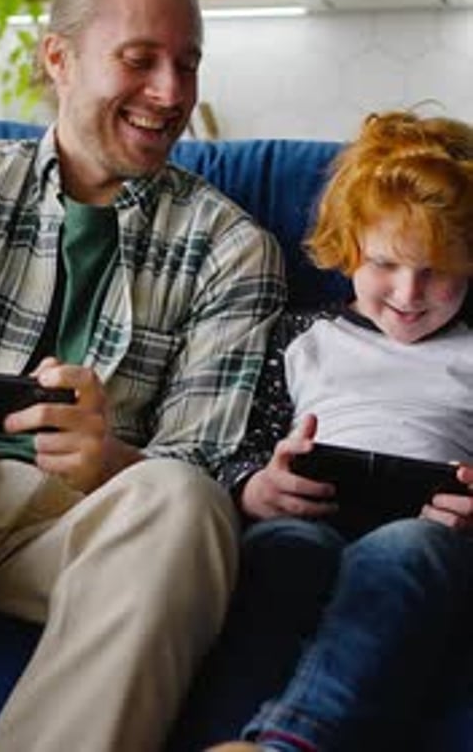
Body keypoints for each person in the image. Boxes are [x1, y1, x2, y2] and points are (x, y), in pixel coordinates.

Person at [0, 0, 285, 752]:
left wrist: (105, 456)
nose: (170, 93)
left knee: (182, 502)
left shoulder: (232, 248)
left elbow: (204, 467)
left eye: (187, 64)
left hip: (77, 530)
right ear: (60, 59)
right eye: (140, 60)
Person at [167, 111, 473, 752]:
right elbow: (239, 449)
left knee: (402, 553)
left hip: (432, 537)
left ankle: (289, 744)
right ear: (350, 246)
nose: (410, 293)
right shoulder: (301, 337)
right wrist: (258, 487)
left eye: (438, 270)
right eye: (387, 262)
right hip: (309, 519)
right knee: (280, 553)